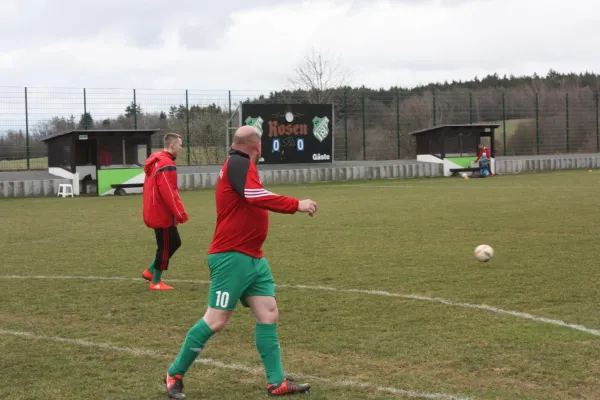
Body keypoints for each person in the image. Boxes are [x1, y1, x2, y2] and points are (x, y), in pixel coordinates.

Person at [163, 125, 317, 399]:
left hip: (253, 256)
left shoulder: (241, 164)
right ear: (257, 147)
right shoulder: (238, 163)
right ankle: (174, 373)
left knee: (268, 313)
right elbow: (254, 196)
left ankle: (276, 381)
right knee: (216, 320)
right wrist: (297, 204)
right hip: (231, 256)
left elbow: (252, 196)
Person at [141, 132, 189, 291]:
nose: (181, 148)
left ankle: (150, 271)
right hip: (162, 213)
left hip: (155, 210)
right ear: (172, 145)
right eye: (180, 145)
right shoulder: (166, 164)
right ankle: (155, 281)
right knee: (166, 246)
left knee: (173, 242)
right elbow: (169, 192)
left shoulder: (157, 161)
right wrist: (179, 212)